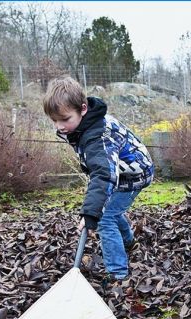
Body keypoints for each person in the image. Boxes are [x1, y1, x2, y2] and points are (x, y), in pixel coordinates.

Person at [43, 77, 153, 284]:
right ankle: (128, 241)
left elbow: (104, 174)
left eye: (65, 119)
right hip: (118, 173)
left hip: (134, 175)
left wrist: (91, 213)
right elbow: (102, 170)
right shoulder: (85, 124)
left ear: (83, 109)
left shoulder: (99, 135)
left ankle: (118, 274)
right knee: (111, 210)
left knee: (104, 218)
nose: (60, 126)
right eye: (54, 120)